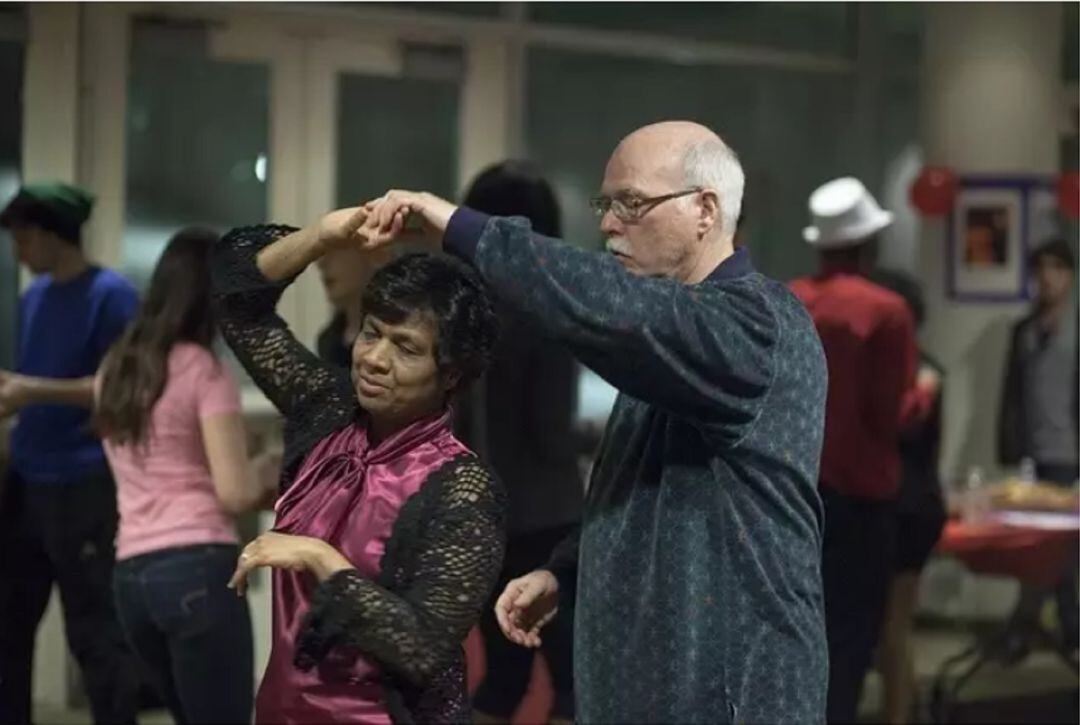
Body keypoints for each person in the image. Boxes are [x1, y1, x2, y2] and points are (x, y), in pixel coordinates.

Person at [355, 120, 830, 724]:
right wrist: (565, 572)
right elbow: (651, 488)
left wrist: (458, 226)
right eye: (606, 205)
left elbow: (615, 308)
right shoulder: (677, 337)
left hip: (731, 693)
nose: (608, 225)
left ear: (705, 210)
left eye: (632, 204)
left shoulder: (756, 325)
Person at [211, 220, 505, 723]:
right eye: (372, 333)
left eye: (406, 348)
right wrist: (325, 236)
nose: (374, 359)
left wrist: (320, 558)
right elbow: (235, 297)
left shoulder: (462, 487)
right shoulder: (327, 411)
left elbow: (423, 650)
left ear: (450, 373)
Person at [96, 228, 273, 724]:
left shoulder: (115, 370)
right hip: (197, 568)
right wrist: (264, 466)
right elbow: (235, 492)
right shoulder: (202, 370)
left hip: (131, 578)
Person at [790, 177, 932, 723]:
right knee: (849, 645)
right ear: (867, 244)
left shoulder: (789, 299)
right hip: (861, 501)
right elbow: (890, 415)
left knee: (797, 638)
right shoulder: (887, 312)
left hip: (793, 495)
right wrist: (924, 394)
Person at [0, 182, 141, 724]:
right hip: (27, 478)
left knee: (94, 630)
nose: (19, 252)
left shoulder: (112, 296)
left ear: (54, 234)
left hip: (83, 482)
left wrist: (30, 389)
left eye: (25, 239)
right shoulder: (32, 298)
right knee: (10, 624)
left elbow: (122, 388)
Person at [458, 161, 581, 724]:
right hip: (545, 520)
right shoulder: (542, 309)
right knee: (571, 678)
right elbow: (552, 432)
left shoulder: (462, 307)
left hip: (480, 517)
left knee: (502, 676)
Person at [869, 268, 947, 725]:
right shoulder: (918, 369)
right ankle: (909, 710)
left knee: (893, 631)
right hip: (904, 507)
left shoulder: (919, 375)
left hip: (906, 512)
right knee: (893, 631)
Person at [998, 236, 1079, 653]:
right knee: (1037, 551)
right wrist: (1009, 447)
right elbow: (1011, 395)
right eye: (1040, 269)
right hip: (1032, 458)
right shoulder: (1024, 331)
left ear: (1069, 275)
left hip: (1069, 456)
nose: (1047, 278)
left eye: (1056, 269)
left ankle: (1028, 628)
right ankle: (1061, 627)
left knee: (1060, 551)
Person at [315, 238, 394, 367]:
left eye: (337, 248)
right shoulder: (328, 341)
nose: (321, 262)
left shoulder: (397, 338)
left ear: (375, 252)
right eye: (323, 250)